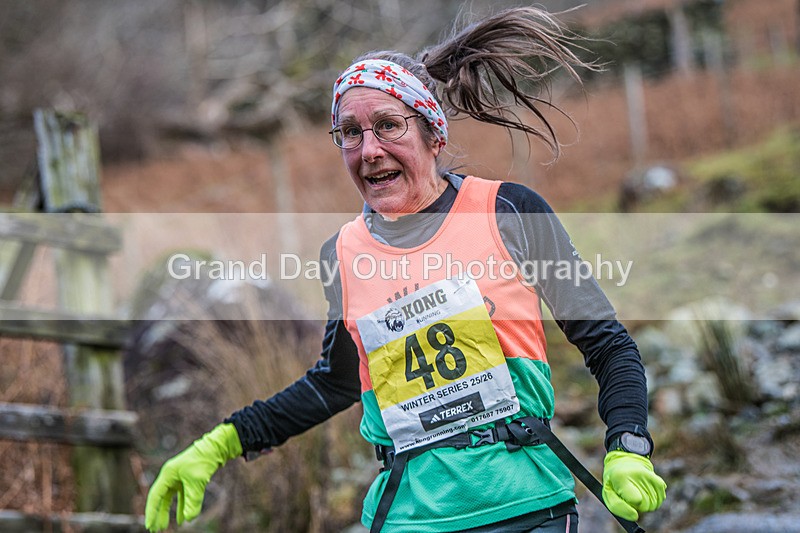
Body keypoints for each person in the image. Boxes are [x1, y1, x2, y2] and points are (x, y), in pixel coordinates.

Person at [145, 6, 666, 532]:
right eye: (350, 132)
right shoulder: (342, 255)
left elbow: (608, 344)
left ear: (433, 135)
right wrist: (219, 444)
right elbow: (334, 384)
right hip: (407, 518)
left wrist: (628, 446)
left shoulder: (508, 212)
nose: (370, 150)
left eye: (388, 126)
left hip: (529, 510)